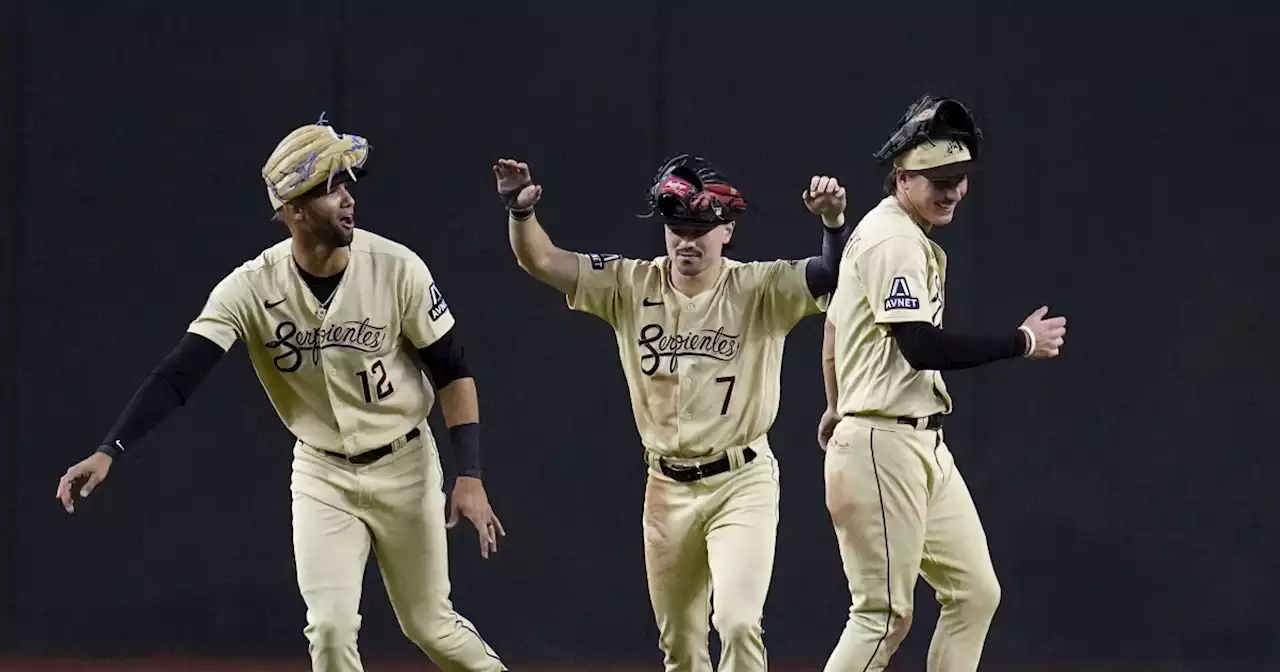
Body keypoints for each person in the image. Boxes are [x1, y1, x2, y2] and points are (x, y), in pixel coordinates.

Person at [55, 116, 509, 672]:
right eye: (329, 189)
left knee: (428, 624)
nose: (347, 200)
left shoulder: (395, 267)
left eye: (347, 185)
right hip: (323, 476)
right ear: (292, 209)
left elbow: (453, 371)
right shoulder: (251, 287)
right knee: (331, 629)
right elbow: (180, 373)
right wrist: (109, 448)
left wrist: (471, 475)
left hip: (406, 463)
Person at [496, 154, 852, 672]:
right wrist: (520, 214)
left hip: (741, 479)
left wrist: (832, 222)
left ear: (727, 230)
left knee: (736, 622)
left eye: (700, 228)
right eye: (676, 227)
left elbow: (830, 273)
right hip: (666, 486)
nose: (687, 240)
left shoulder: (759, 287)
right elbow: (544, 261)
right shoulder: (629, 283)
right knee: (681, 645)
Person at [818, 94, 1068, 672]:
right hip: (884, 443)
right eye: (937, 178)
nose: (952, 190)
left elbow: (833, 331)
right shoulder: (894, 239)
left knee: (975, 593)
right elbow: (921, 346)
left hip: (916, 441)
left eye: (958, 177)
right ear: (901, 177)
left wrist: (834, 404)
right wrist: (1019, 342)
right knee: (882, 616)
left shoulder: (901, 232)